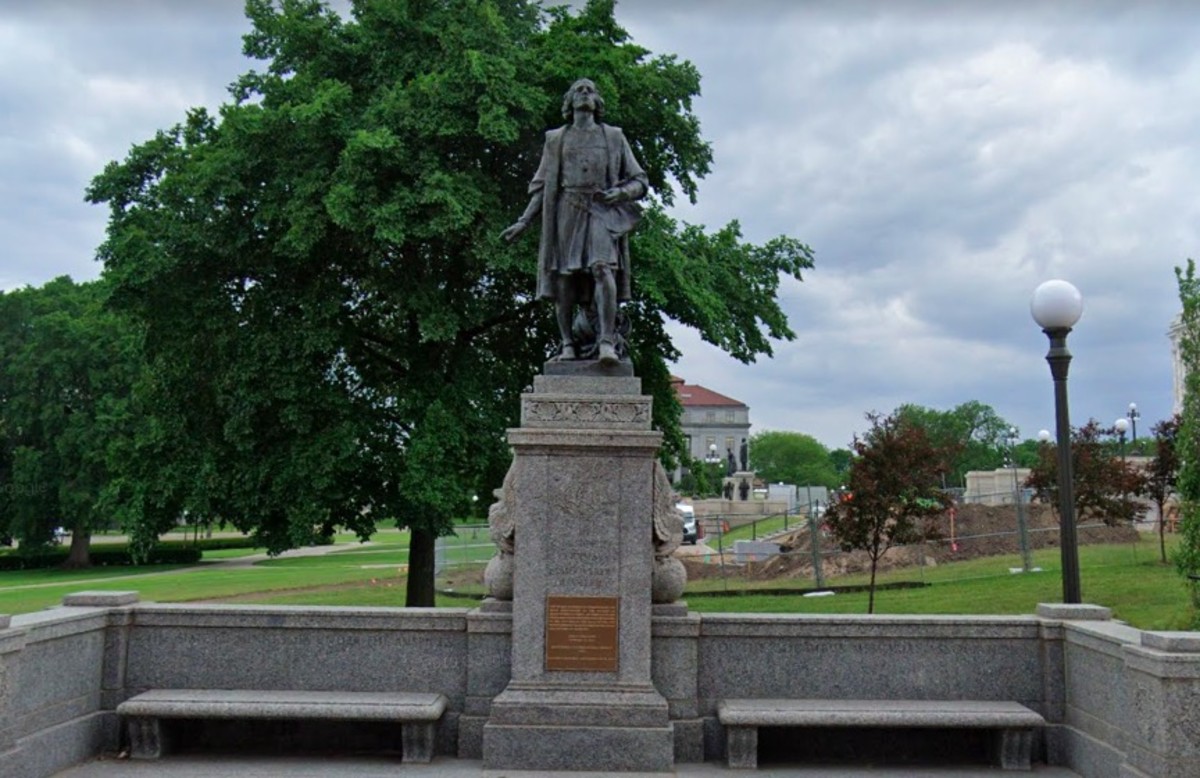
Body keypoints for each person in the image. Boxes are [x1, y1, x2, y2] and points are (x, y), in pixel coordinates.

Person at [501, 78, 648, 365]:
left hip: (601, 210)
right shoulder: (556, 138)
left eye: (590, 90)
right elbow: (543, 186)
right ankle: (567, 343)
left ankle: (607, 342)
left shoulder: (614, 136)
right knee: (563, 280)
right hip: (567, 211)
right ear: (569, 102)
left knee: (603, 268)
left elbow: (640, 180)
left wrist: (620, 192)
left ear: (597, 102)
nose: (584, 92)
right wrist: (523, 221)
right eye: (578, 90)